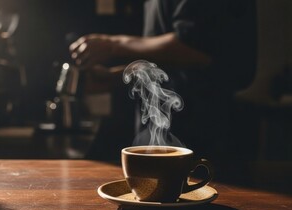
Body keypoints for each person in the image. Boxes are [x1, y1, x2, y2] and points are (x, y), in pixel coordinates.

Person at [69, 0, 256, 161]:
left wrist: (112, 45)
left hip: (202, 130)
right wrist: (115, 77)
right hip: (157, 129)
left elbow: (196, 47)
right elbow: (168, 62)